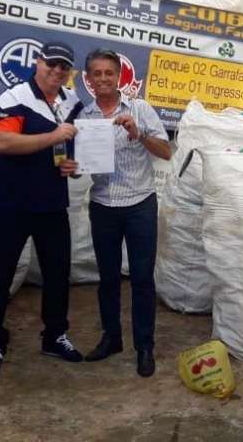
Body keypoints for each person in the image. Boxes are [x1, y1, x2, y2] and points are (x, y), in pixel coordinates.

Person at [0, 41, 85, 377]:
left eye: (63, 67)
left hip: (52, 203)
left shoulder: (72, 101)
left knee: (57, 274)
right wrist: (52, 137)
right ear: (37, 62)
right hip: (12, 202)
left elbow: (71, 149)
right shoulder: (13, 98)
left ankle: (55, 336)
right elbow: (3, 143)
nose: (56, 71)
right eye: (51, 64)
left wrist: (73, 166)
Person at [79, 48, 171, 377]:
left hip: (140, 205)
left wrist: (139, 133)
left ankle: (144, 346)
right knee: (107, 278)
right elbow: (74, 165)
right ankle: (112, 338)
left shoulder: (141, 108)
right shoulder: (84, 116)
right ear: (87, 79)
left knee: (143, 279)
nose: (103, 79)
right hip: (103, 206)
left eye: (109, 73)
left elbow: (166, 152)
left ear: (119, 77)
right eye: (96, 73)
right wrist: (71, 167)